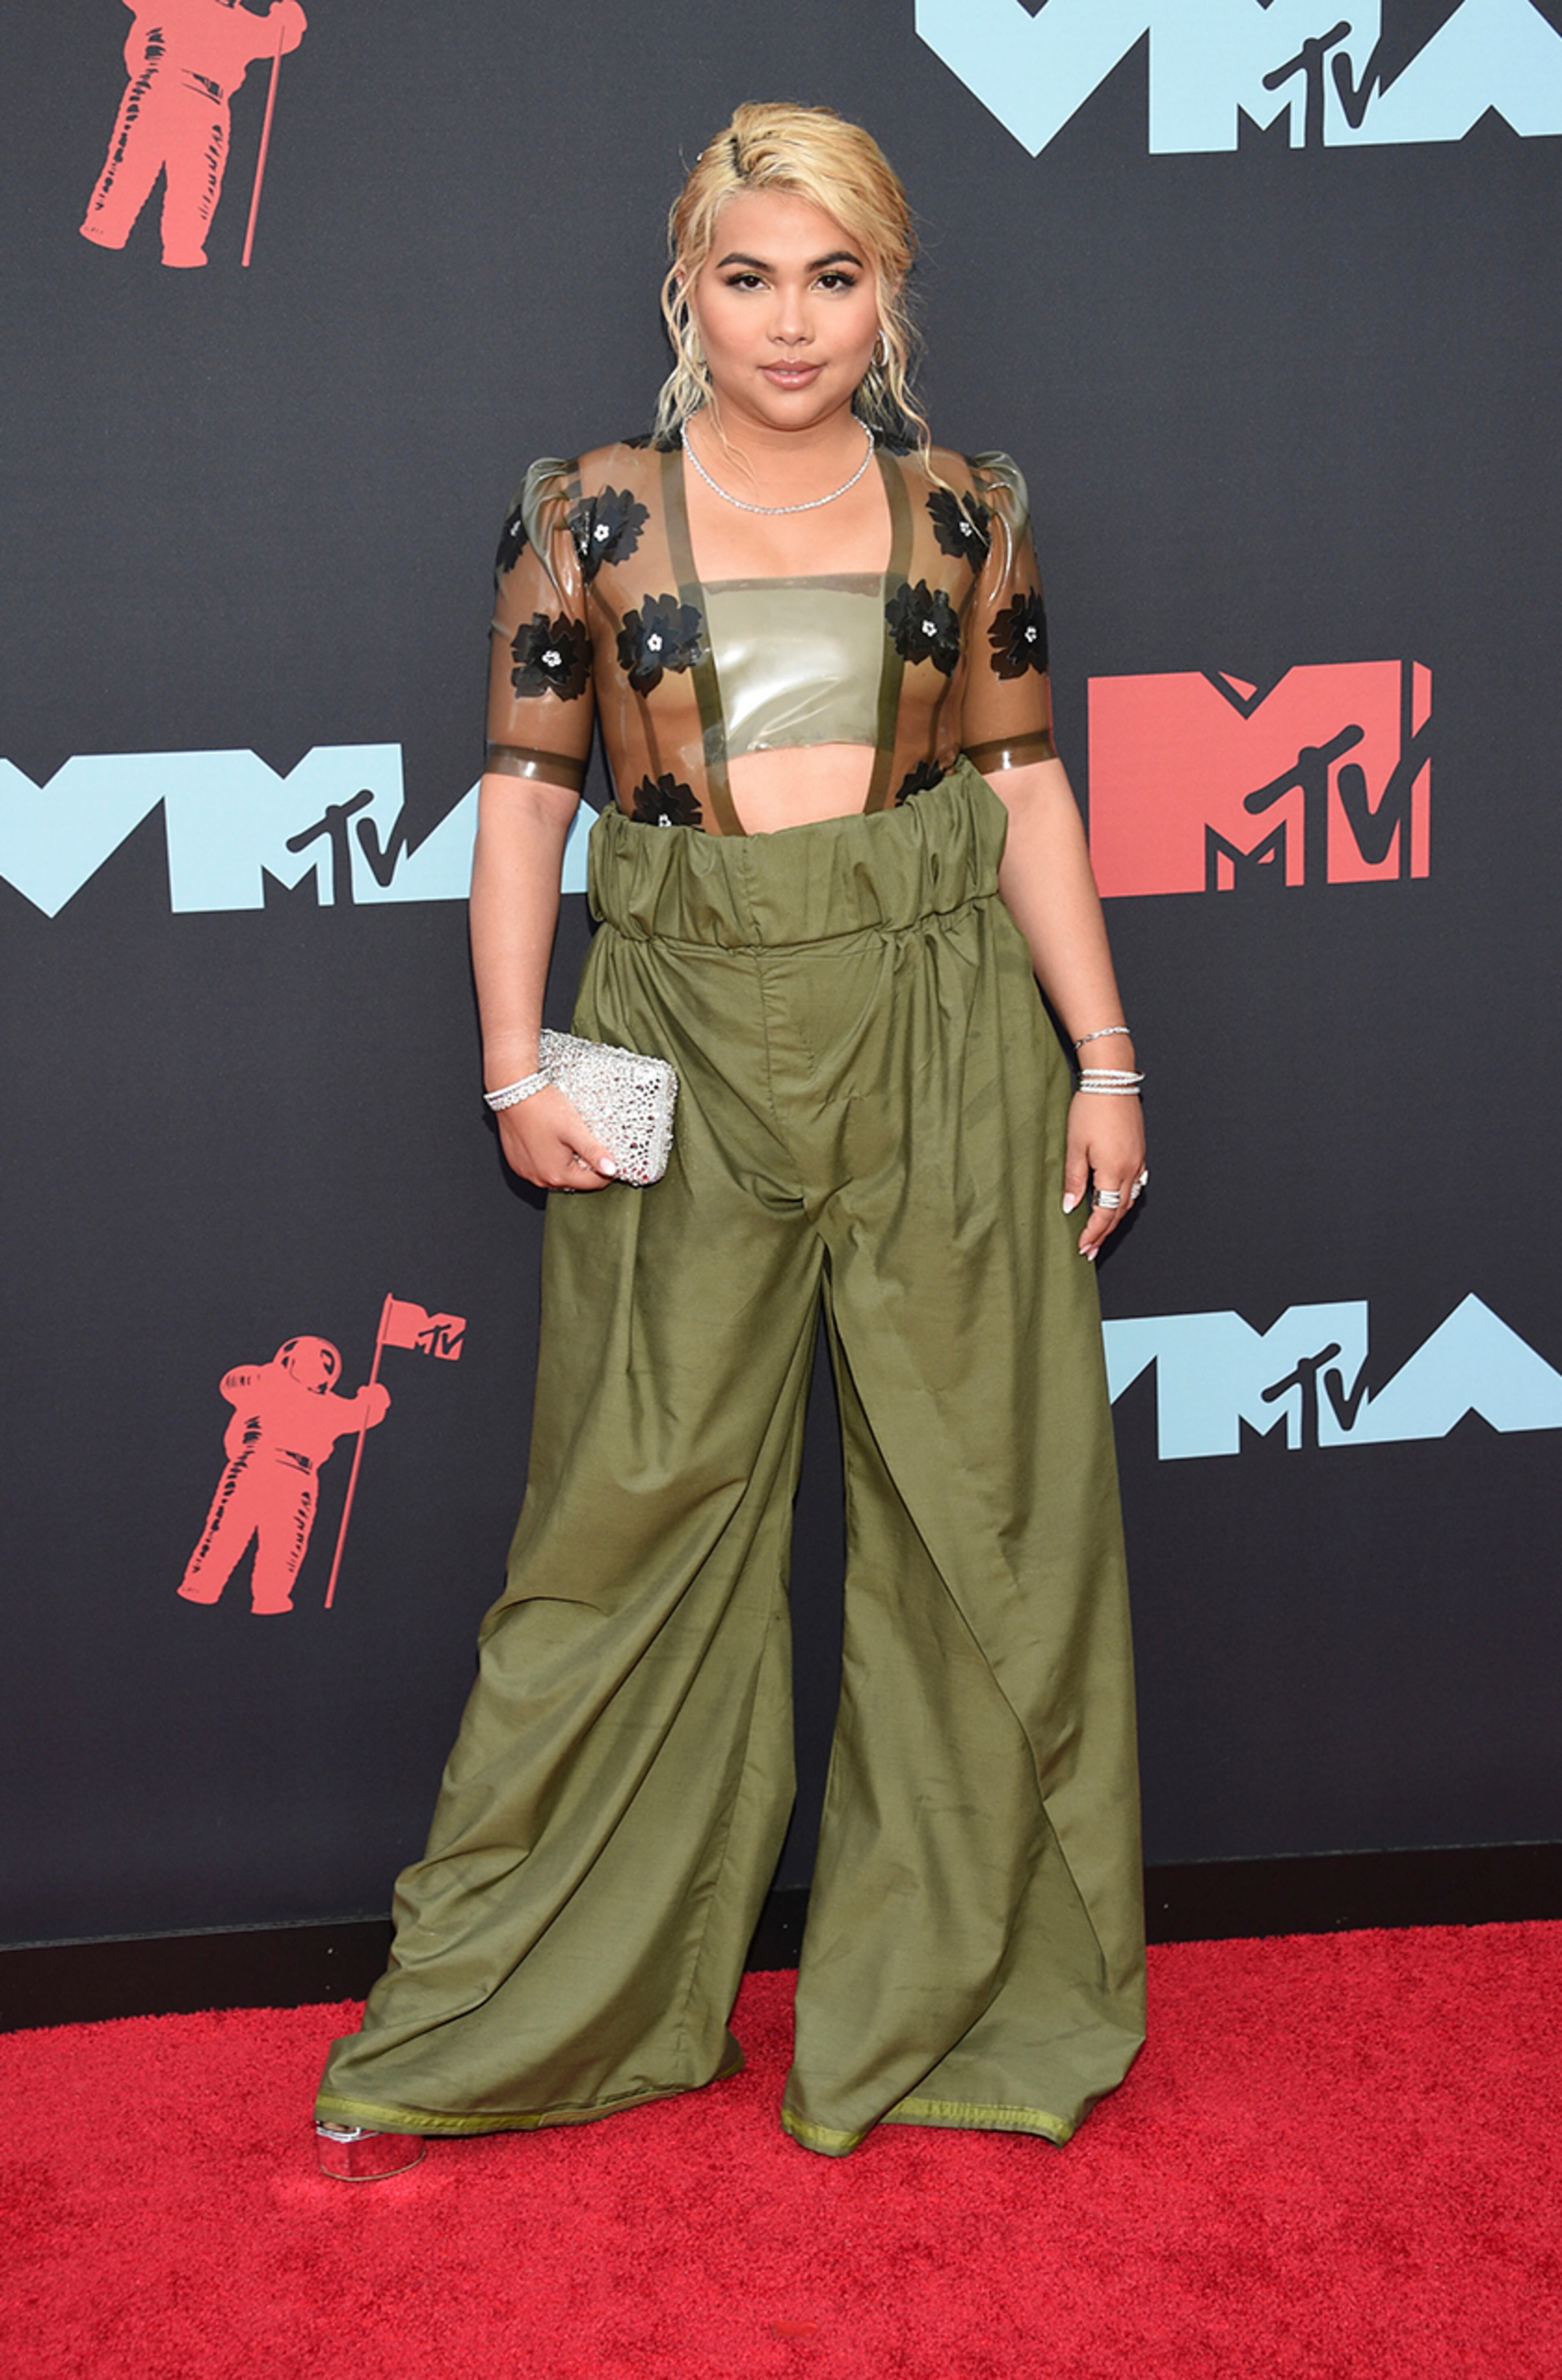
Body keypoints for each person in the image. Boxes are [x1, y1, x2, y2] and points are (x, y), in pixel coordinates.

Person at [314, 103, 1148, 2179]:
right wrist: (516, 1062)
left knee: (990, 1513)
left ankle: (965, 2003)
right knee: (629, 1519)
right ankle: (531, 2010)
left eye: (836, 278)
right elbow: (524, 803)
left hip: (952, 1020)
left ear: (889, 294)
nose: (794, 323)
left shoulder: (971, 512)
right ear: (685, 290)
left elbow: (1031, 788)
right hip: (674, 1015)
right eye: (751, 276)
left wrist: (1107, 1055)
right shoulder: (586, 517)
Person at [79, 0, 306, 270]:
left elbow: (280, 38)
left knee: (198, 180)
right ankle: (105, 229)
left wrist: (289, 17)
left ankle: (183, 249)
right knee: (134, 161)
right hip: (161, 82)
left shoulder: (244, 23)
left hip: (210, 101)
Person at [177, 1337, 388, 1615]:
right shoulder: (265, 1384)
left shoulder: (329, 1406)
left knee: (285, 1542)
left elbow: (361, 1415)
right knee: (229, 1529)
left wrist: (374, 1401)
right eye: (311, 1360)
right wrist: (268, 1375)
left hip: (298, 1476)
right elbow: (230, 1383)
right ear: (289, 1360)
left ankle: (271, 1599)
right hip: (256, 1463)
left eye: (325, 1364)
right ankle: (201, 1587)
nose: (318, 1368)